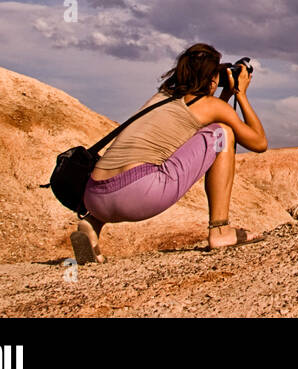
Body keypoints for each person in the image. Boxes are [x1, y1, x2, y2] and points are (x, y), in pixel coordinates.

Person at [70, 43, 269, 264]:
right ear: (211, 78)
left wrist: (223, 94)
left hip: (94, 198)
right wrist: (240, 94)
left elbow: (199, 126)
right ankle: (220, 230)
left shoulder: (161, 98)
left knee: (207, 132)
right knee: (223, 133)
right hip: (137, 193)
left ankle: (92, 225)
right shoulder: (209, 105)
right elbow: (259, 143)